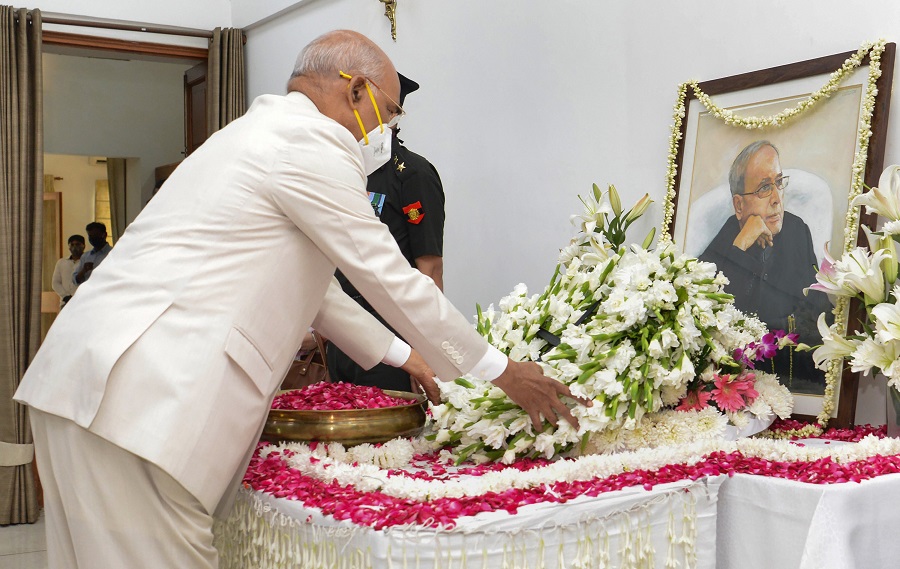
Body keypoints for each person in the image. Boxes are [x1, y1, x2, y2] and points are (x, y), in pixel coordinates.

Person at [14, 30, 585, 569]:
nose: (382, 133)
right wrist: (500, 371)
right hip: (143, 401)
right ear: (354, 90)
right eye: (387, 113)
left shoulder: (251, 134)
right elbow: (390, 275)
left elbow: (318, 293)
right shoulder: (312, 142)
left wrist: (400, 354)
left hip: (86, 388)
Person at [328, 72, 448, 393]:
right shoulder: (346, 172)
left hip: (395, 337)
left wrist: (429, 349)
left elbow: (430, 267)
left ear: (391, 114)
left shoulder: (412, 174)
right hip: (345, 335)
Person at [698, 140, 832, 391]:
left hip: (797, 377)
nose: (776, 199)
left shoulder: (797, 230)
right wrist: (741, 245)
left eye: (779, 183)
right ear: (739, 205)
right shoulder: (725, 242)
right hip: (741, 385)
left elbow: (818, 307)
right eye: (763, 188)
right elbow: (707, 311)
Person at [51, 234, 85, 308]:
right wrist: (66, 296)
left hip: (83, 302)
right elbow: (55, 283)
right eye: (72, 245)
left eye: (77, 244)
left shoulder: (87, 261)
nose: (74, 247)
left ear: (83, 246)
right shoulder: (61, 262)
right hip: (65, 303)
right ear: (69, 247)